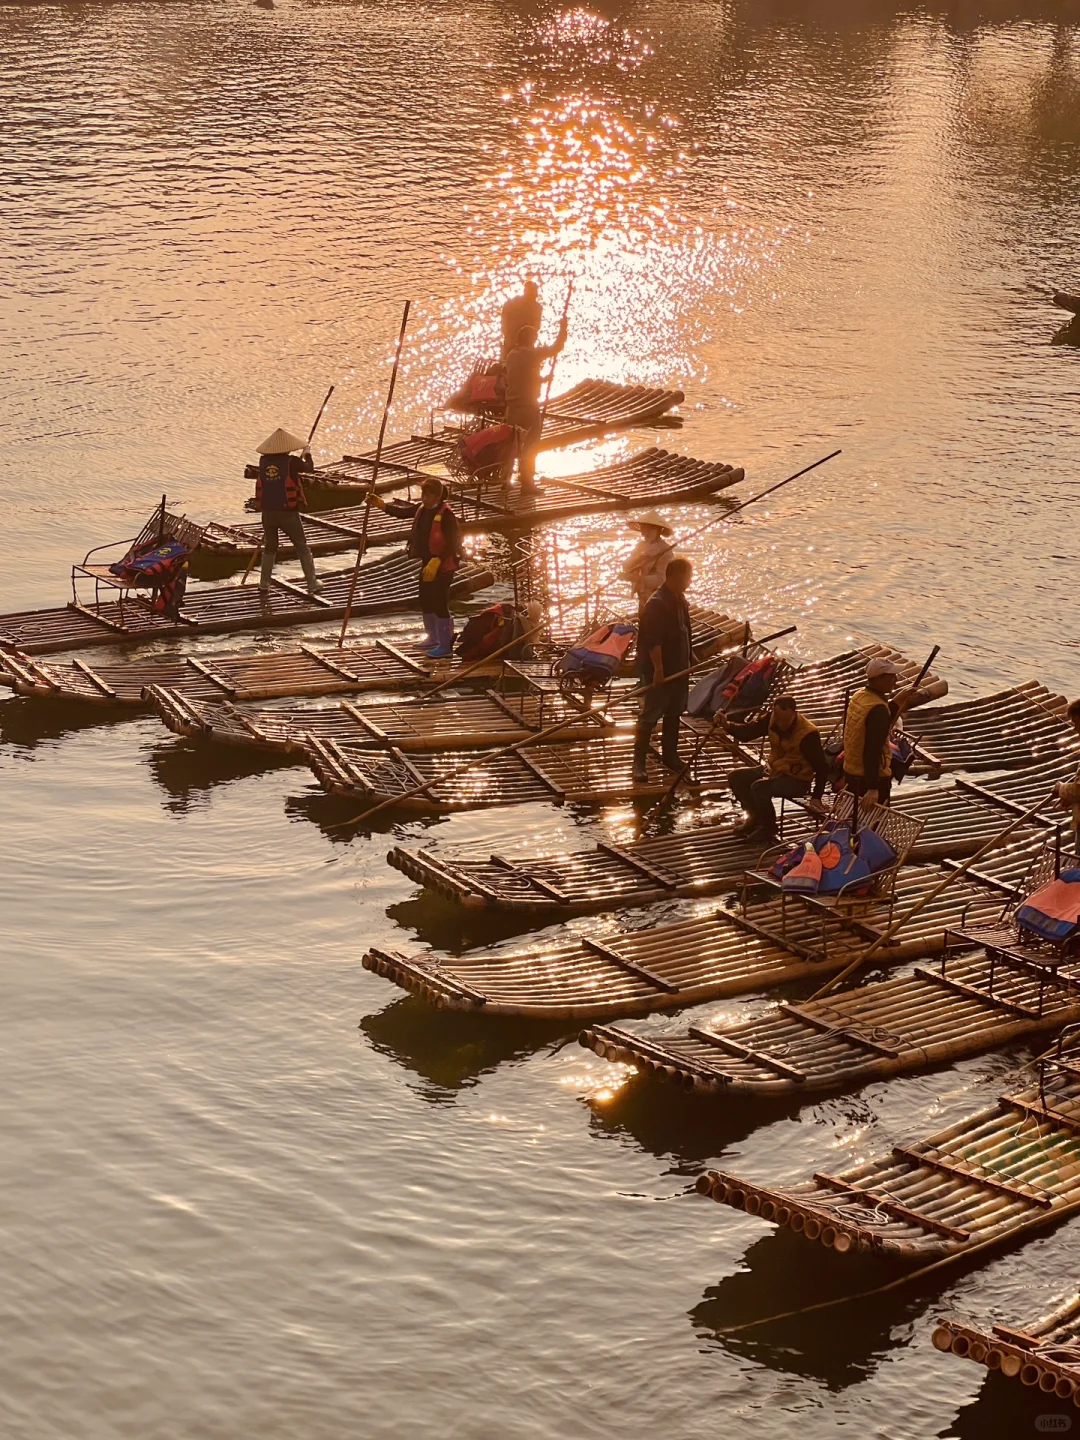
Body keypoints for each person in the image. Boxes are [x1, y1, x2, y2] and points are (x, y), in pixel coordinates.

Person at [717, 696, 830, 839]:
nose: (781, 724)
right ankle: (754, 817)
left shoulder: (808, 734)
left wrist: (817, 796)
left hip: (797, 779)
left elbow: (822, 767)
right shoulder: (770, 719)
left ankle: (768, 828)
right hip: (774, 769)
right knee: (736, 777)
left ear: (794, 714)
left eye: (786, 720)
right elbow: (748, 732)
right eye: (778, 718)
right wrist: (727, 725)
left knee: (759, 788)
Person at [632, 555, 694, 783]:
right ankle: (638, 762)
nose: (689, 581)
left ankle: (670, 754)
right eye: (687, 577)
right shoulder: (657, 604)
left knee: (674, 712)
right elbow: (653, 641)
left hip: (679, 668)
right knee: (650, 714)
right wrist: (658, 670)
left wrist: (690, 656)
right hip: (661, 670)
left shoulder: (681, 599)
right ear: (676, 576)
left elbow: (685, 631)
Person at [503, 319, 567, 495]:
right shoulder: (531, 353)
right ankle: (527, 484)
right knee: (531, 447)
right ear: (530, 340)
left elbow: (521, 377)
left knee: (512, 446)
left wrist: (542, 379)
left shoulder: (511, 355)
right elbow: (556, 347)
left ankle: (505, 479)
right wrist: (563, 328)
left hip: (512, 407)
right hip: (528, 408)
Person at [841, 657, 917, 807]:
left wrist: (897, 701)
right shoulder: (878, 710)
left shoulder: (860, 696)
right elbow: (872, 751)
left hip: (851, 770)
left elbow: (878, 721)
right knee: (873, 824)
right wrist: (873, 788)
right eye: (891, 677)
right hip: (868, 778)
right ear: (879, 678)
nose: (895, 680)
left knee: (854, 819)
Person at [254, 427, 321, 596]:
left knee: (270, 548)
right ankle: (312, 584)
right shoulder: (292, 462)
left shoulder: (263, 462)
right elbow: (309, 468)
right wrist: (307, 453)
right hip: (288, 513)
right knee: (302, 547)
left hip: (268, 513)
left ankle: (264, 584)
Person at [407, 477, 460, 658]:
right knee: (425, 599)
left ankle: (445, 646)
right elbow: (401, 512)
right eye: (423, 494)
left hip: (444, 565)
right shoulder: (422, 510)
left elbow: (453, 543)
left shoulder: (447, 515)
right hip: (427, 563)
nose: (425, 498)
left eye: (429, 495)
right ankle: (433, 637)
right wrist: (380, 505)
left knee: (439, 602)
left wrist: (439, 559)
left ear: (437, 496)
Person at [620, 511, 674, 615]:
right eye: (642, 529)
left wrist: (637, 579)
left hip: (657, 599)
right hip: (642, 597)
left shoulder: (666, 551)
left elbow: (661, 580)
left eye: (646, 529)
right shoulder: (641, 546)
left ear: (656, 530)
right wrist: (640, 558)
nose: (643, 533)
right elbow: (626, 566)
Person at [500, 280, 542, 359]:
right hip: (511, 341)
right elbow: (504, 322)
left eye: (535, 293)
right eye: (533, 293)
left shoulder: (537, 308)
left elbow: (536, 327)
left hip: (527, 344)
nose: (536, 295)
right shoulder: (512, 304)